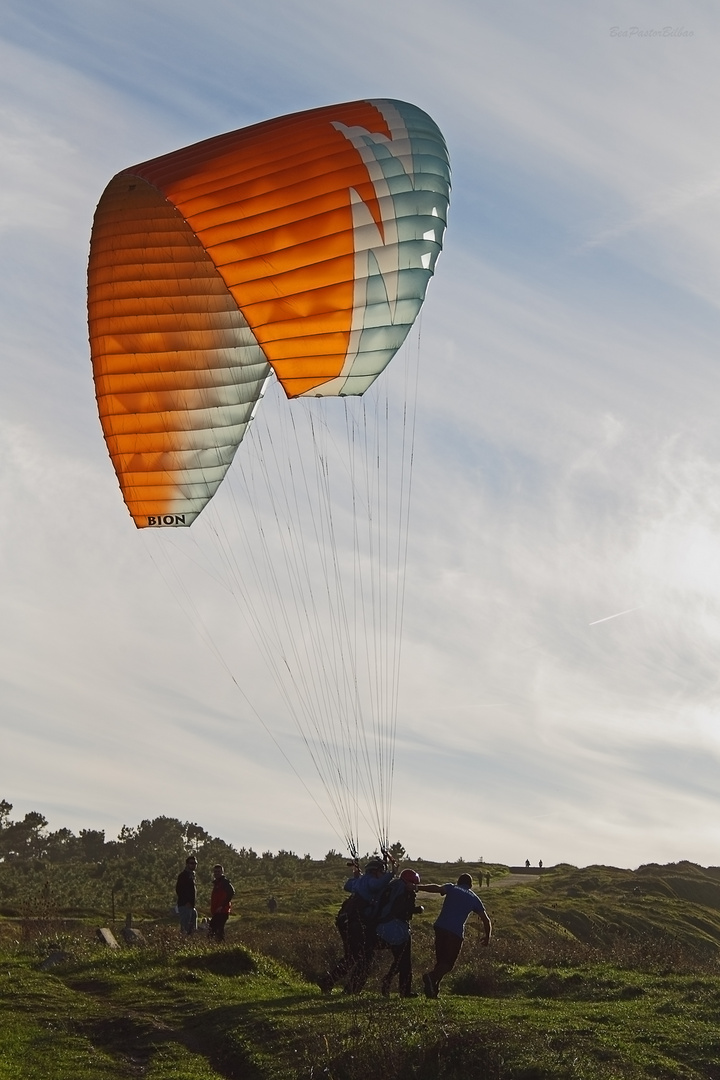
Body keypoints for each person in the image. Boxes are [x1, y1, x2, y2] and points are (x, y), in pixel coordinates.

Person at [318, 856, 395, 994]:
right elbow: (377, 885)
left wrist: (357, 876)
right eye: (382, 872)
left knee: (352, 957)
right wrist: (392, 872)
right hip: (356, 923)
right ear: (376, 872)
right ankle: (350, 989)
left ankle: (330, 982)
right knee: (366, 957)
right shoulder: (371, 881)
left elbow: (348, 885)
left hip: (345, 921)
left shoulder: (360, 881)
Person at [417, 873, 491, 998]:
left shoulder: (451, 888)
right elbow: (486, 920)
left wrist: (418, 887)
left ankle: (433, 990)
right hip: (455, 932)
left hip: (440, 927)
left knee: (441, 962)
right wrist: (488, 936)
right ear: (471, 885)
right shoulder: (474, 898)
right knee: (448, 965)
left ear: (458, 882)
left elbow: (436, 888)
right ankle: (431, 977)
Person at [375, 868, 424, 998]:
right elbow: (400, 910)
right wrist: (416, 910)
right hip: (395, 928)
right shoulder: (402, 891)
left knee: (399, 960)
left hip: (384, 926)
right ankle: (404, 991)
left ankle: (389, 982)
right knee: (405, 961)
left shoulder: (393, 886)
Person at [208, 864, 235, 942]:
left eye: (218, 871)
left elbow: (231, 892)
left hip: (222, 911)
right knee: (215, 930)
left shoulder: (224, 883)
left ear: (222, 872)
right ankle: (218, 946)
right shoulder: (217, 883)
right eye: (215, 872)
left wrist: (222, 906)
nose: (216, 873)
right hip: (217, 911)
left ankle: (219, 947)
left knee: (215, 930)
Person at [175, 855, 198, 934]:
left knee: (192, 929)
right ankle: (184, 943)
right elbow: (179, 890)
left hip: (191, 906)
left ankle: (190, 944)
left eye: (195, 863)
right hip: (185, 906)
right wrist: (186, 902)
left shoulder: (192, 876)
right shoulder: (183, 876)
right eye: (191, 863)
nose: (193, 865)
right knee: (185, 929)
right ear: (187, 864)